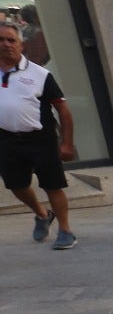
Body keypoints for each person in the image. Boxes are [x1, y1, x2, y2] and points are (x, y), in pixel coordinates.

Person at [0, 19, 77, 249]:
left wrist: (67, 143)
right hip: (6, 139)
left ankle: (65, 230)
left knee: (52, 185)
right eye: (1, 40)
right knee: (16, 185)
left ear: (21, 45)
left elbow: (63, 109)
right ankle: (42, 214)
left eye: (11, 40)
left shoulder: (40, 75)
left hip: (40, 138)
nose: (5, 44)